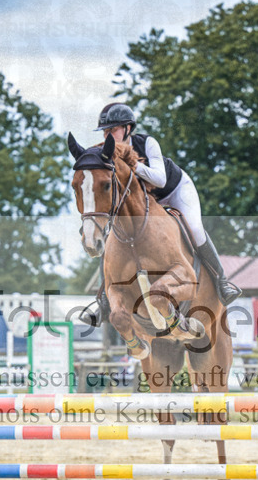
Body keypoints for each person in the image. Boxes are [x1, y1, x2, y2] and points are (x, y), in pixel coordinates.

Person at [79, 102, 241, 327]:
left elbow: (160, 180)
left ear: (127, 128)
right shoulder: (105, 151)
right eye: (105, 131)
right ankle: (104, 302)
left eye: (112, 129)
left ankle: (221, 281)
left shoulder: (147, 143)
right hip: (144, 202)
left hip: (174, 191)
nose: (108, 134)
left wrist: (131, 165)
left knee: (194, 227)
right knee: (110, 236)